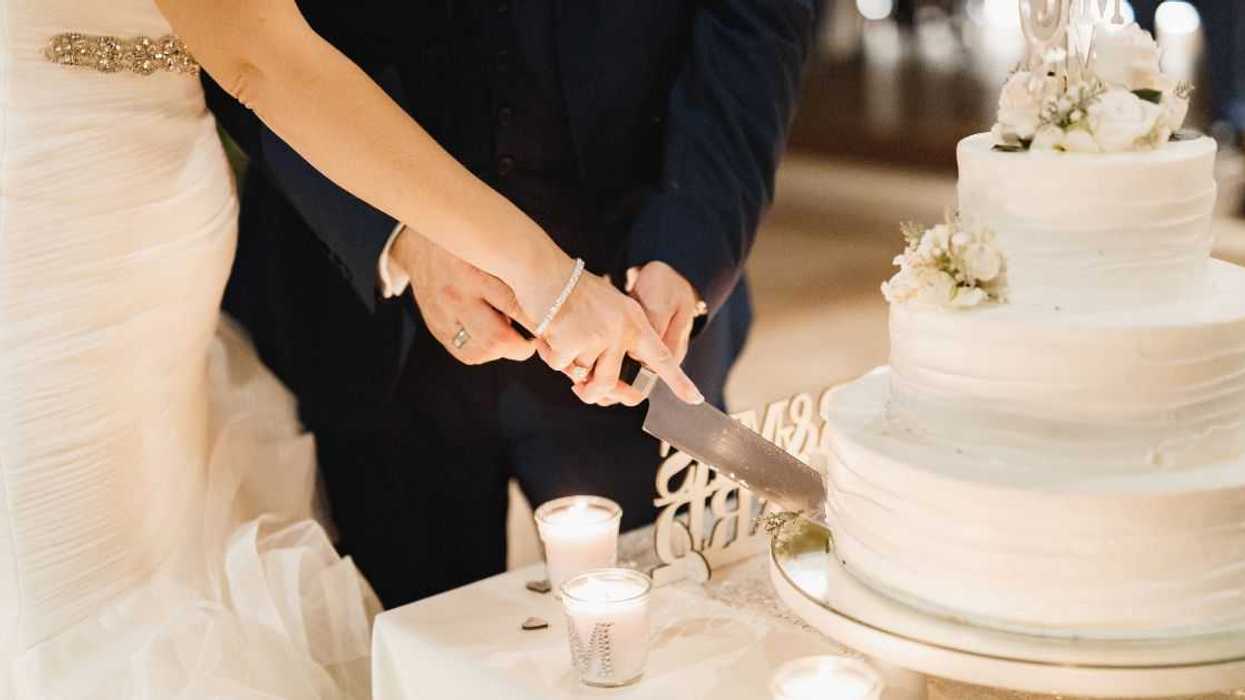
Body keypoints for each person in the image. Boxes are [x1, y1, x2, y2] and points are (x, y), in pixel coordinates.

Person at [0, 0, 702, 695]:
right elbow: (261, 56)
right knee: (82, 583)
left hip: (155, 195)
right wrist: (548, 277)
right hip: (62, 222)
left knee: (160, 537)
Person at [205, 1, 816, 609]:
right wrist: (399, 237)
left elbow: (757, 17)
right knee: (417, 647)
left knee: (675, 632)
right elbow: (242, 47)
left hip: (631, 306)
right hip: (363, 319)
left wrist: (688, 252)